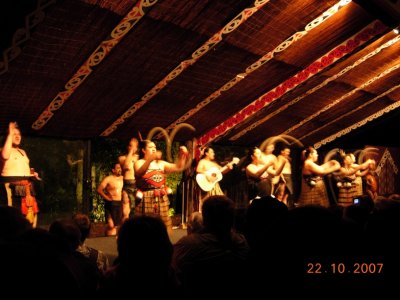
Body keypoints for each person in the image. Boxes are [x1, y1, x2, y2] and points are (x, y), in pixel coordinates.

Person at [134, 140, 190, 233]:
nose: (154, 149)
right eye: (150, 147)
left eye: (155, 147)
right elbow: (139, 172)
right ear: (143, 150)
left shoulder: (161, 163)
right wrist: (150, 160)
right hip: (146, 196)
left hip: (161, 196)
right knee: (145, 226)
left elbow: (178, 167)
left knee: (163, 225)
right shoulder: (139, 162)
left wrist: (182, 156)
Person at [0, 121, 40, 227]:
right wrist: (9, 131)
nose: (18, 137)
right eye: (14, 134)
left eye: (19, 134)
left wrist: (32, 175)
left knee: (30, 214)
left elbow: (22, 168)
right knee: (13, 216)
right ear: (8, 136)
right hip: (11, 187)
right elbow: (5, 156)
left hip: (27, 187)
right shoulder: (3, 150)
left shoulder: (23, 151)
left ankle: (30, 236)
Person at [195, 147, 238, 212]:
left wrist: (228, 168)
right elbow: (198, 170)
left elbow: (221, 172)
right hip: (207, 187)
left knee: (221, 203)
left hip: (215, 186)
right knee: (208, 204)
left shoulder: (214, 163)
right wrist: (208, 175)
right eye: (212, 152)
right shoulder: (202, 161)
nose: (214, 154)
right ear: (206, 153)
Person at [96, 163, 123, 236]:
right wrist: (107, 197)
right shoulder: (108, 179)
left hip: (120, 203)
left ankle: (117, 240)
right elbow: (99, 190)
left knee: (118, 225)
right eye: (118, 168)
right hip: (111, 203)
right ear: (113, 170)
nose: (120, 169)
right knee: (111, 225)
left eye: (120, 168)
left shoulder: (123, 179)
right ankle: (107, 239)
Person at [118, 137, 139, 222]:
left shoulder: (139, 158)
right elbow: (126, 166)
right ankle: (124, 232)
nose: (132, 147)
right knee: (125, 211)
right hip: (127, 185)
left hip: (137, 185)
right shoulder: (122, 158)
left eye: (134, 146)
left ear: (137, 148)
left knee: (137, 210)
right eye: (130, 146)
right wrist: (131, 152)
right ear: (128, 147)